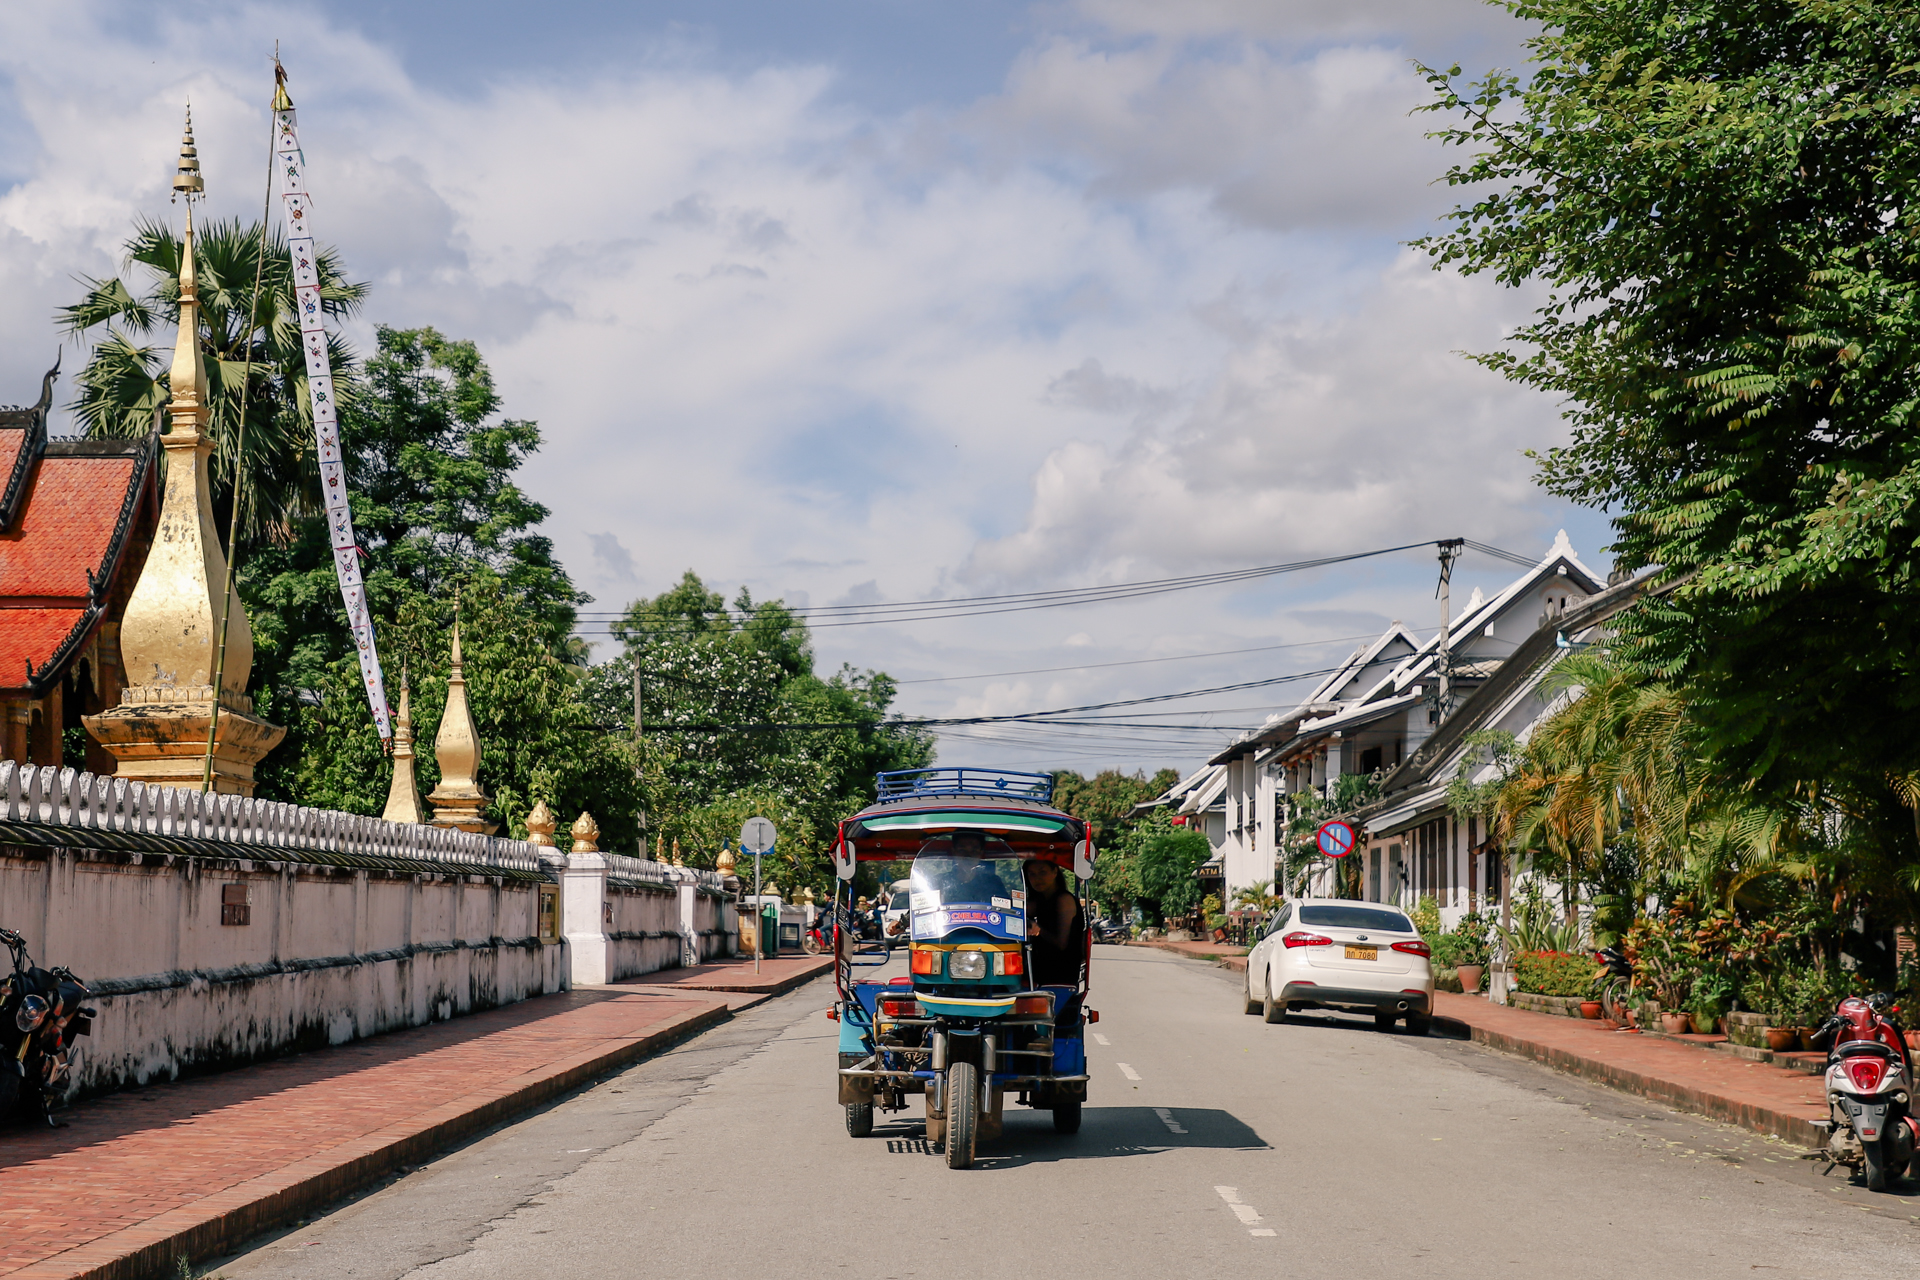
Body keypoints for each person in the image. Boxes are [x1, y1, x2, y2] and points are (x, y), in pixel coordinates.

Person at [1022, 858, 1083, 987]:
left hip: (1059, 970)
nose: (1037, 878)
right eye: (1032, 874)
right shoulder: (1039, 900)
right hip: (1038, 966)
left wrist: (1038, 930)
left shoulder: (1064, 899)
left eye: (1042, 872)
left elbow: (1061, 943)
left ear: (1055, 872)